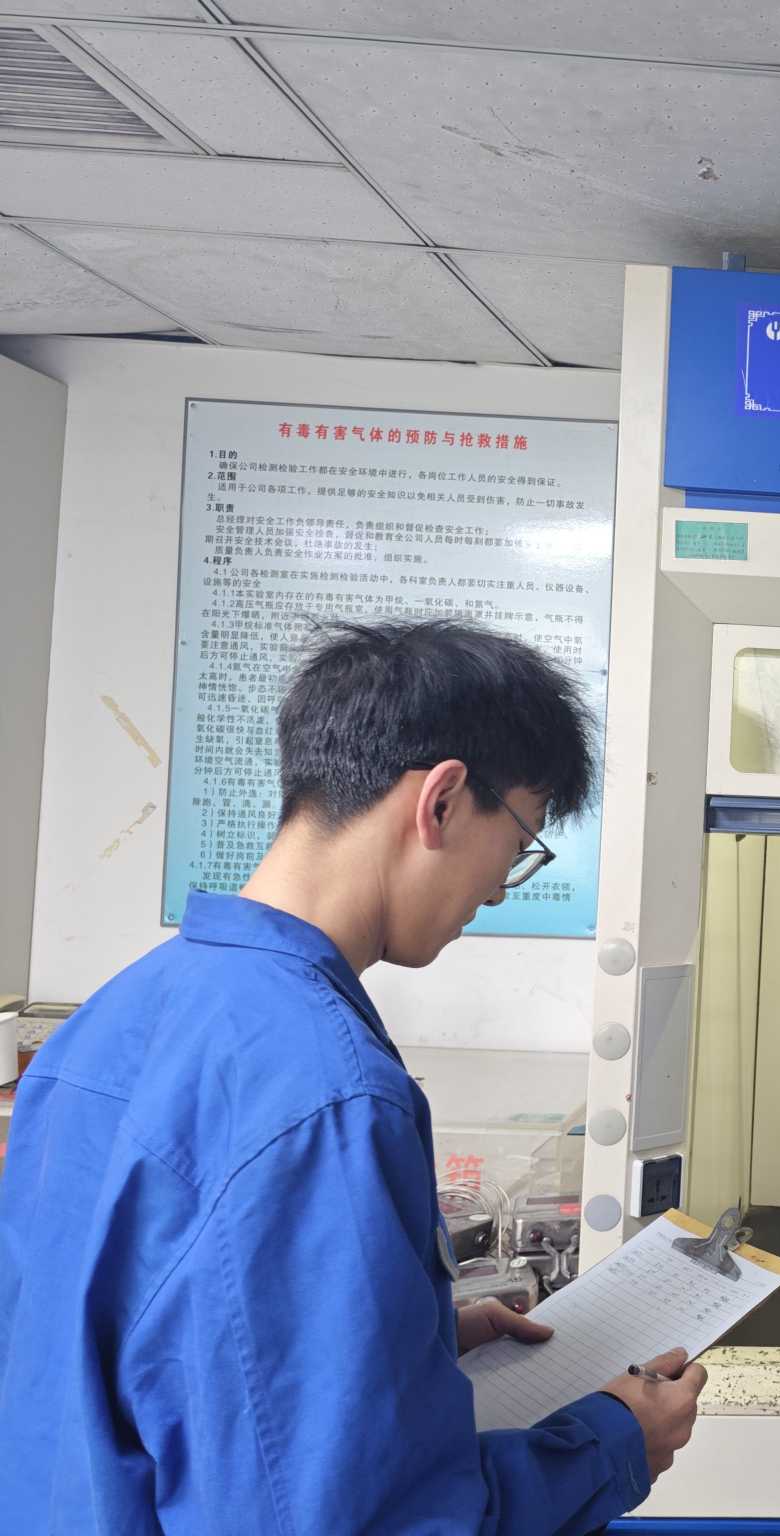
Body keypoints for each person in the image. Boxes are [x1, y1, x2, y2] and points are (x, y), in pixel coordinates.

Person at [0, 618, 705, 1534]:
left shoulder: (108, 1020)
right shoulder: (329, 1094)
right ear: (441, 801)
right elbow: (364, 1521)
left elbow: (127, 1355)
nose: (499, 889)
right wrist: (614, 1443)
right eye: (520, 842)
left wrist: (409, 1343)